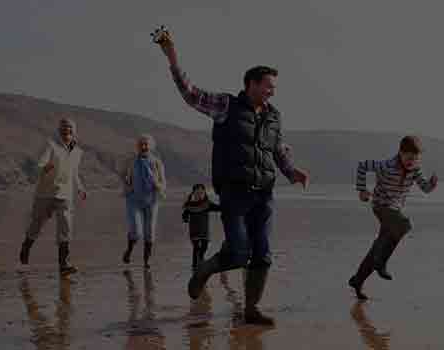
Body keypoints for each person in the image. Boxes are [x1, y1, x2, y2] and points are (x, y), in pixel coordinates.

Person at [153, 26, 310, 325]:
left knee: (262, 255)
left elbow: (276, 149)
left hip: (264, 194)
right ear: (251, 84)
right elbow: (190, 94)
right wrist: (172, 58)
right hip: (234, 193)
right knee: (239, 255)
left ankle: (250, 310)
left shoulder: (274, 116)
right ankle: (205, 270)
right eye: (268, 86)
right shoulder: (226, 106)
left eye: (274, 87)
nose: (272, 91)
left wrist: (292, 171)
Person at [348, 136, 438, 300]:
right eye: (409, 158)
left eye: (415, 159)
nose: (411, 162)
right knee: (405, 224)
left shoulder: (415, 169)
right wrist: (362, 190)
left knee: (377, 248)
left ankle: (357, 281)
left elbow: (425, 188)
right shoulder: (386, 166)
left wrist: (432, 184)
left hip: (395, 209)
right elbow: (362, 166)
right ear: (401, 153)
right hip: (381, 206)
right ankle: (381, 263)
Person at [18, 118, 88, 275]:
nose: (66, 131)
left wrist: (81, 188)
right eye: (64, 128)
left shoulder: (78, 152)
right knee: (37, 224)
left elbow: (74, 173)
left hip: (65, 194)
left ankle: (64, 264)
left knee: (66, 226)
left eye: (70, 129)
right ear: (59, 130)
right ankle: (26, 247)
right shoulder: (51, 145)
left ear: (74, 131)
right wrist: (45, 167)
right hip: (46, 193)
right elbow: (40, 164)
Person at [119, 134, 167, 269]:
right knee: (136, 230)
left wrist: (158, 185)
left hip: (152, 200)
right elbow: (122, 173)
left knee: (150, 232)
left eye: (146, 144)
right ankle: (129, 250)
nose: (143, 147)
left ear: (151, 146)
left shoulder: (157, 162)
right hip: (134, 200)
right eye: (141, 144)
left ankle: (147, 261)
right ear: (137, 146)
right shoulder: (131, 160)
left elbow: (163, 183)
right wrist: (127, 184)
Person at [181, 184, 221, 272]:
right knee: (196, 247)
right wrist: (185, 218)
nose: (199, 194)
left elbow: (218, 208)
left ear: (204, 193)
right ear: (193, 193)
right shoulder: (190, 205)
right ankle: (195, 265)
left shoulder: (207, 204)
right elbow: (185, 214)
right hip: (194, 230)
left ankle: (201, 259)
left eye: (201, 192)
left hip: (204, 230)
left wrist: (226, 207)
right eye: (197, 192)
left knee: (204, 246)